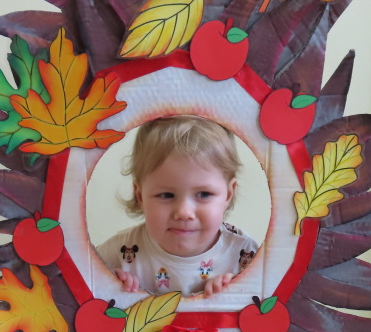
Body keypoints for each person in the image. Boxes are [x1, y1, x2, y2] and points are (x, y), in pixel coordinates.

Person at [97, 115, 259, 297]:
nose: (184, 213)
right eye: (166, 195)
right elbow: (82, 287)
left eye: (204, 194)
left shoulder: (247, 256)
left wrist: (241, 292)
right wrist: (108, 284)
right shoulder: (117, 254)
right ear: (139, 195)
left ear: (228, 194)